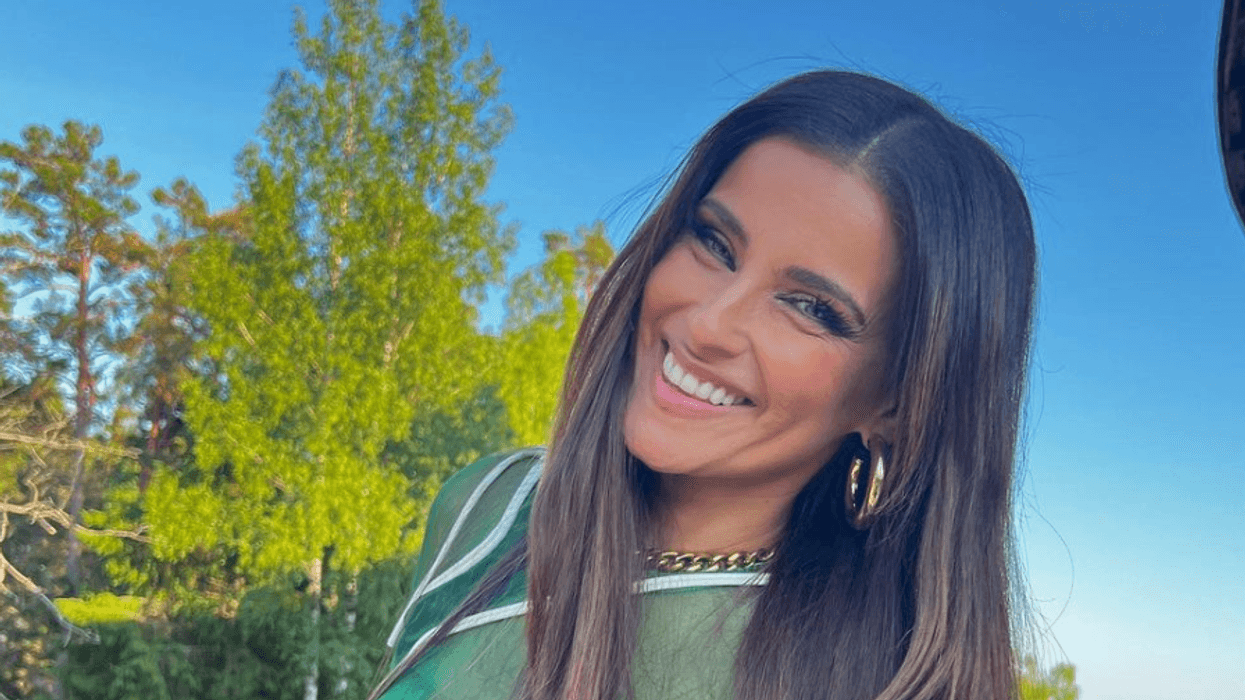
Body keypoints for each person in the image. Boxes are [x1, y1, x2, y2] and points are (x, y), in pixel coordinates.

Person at [369, 69, 1036, 700]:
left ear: (897, 402)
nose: (708, 324)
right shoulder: (488, 506)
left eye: (811, 308)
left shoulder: (873, 678)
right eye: (715, 244)